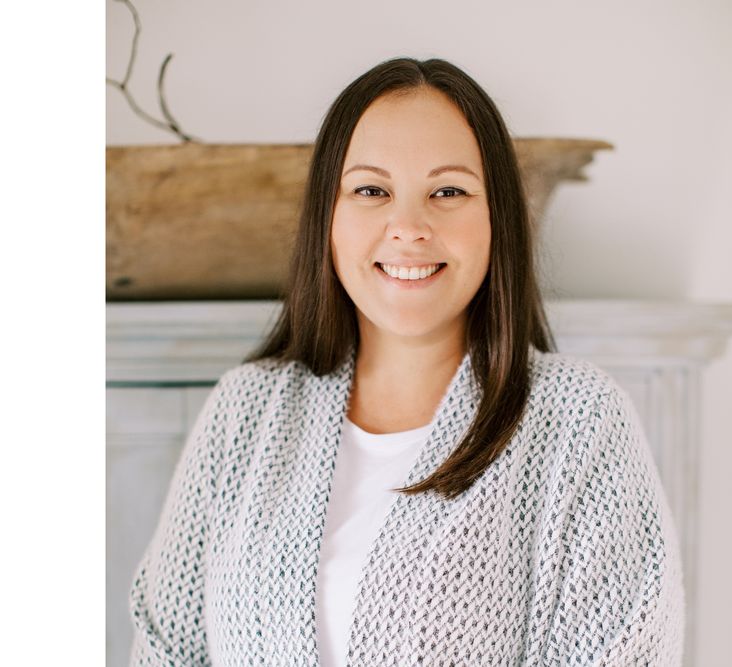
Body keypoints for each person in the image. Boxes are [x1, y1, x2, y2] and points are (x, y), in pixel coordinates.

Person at [129, 58, 683, 666]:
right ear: (328, 217)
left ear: (496, 216)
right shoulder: (246, 411)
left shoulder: (579, 422)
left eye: (448, 191)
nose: (409, 227)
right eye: (371, 190)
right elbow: (165, 650)